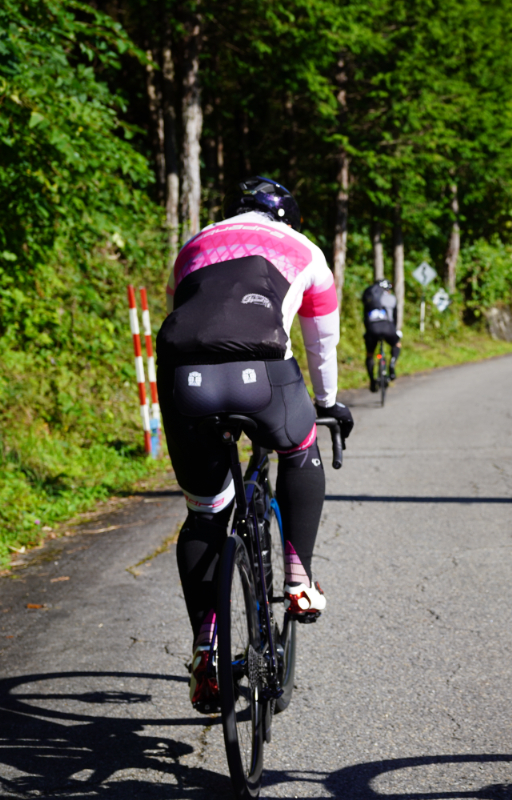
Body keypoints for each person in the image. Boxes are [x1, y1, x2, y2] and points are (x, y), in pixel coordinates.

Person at [156, 176, 354, 714]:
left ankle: (205, 647)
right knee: (298, 447)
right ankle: (299, 579)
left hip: (184, 378)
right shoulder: (306, 251)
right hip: (263, 374)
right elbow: (322, 341)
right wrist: (329, 402)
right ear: (288, 218)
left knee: (204, 514)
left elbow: (196, 316)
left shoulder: (194, 245)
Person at [361, 278, 402, 392]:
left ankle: (372, 381)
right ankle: (392, 363)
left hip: (372, 329)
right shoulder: (391, 298)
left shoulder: (371, 297)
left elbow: (365, 317)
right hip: (388, 328)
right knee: (397, 344)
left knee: (370, 354)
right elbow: (394, 318)